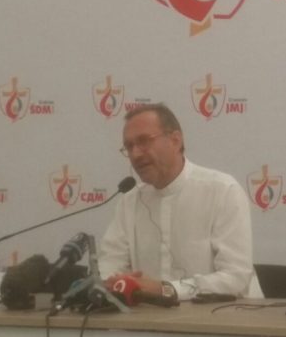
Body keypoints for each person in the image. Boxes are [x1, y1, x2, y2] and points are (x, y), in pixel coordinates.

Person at [98, 103, 262, 301]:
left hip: (223, 315)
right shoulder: (130, 201)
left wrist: (166, 289)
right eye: (129, 146)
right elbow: (109, 265)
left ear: (175, 140)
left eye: (144, 141)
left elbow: (235, 277)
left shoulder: (222, 191)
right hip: (149, 317)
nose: (135, 154)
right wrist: (112, 281)